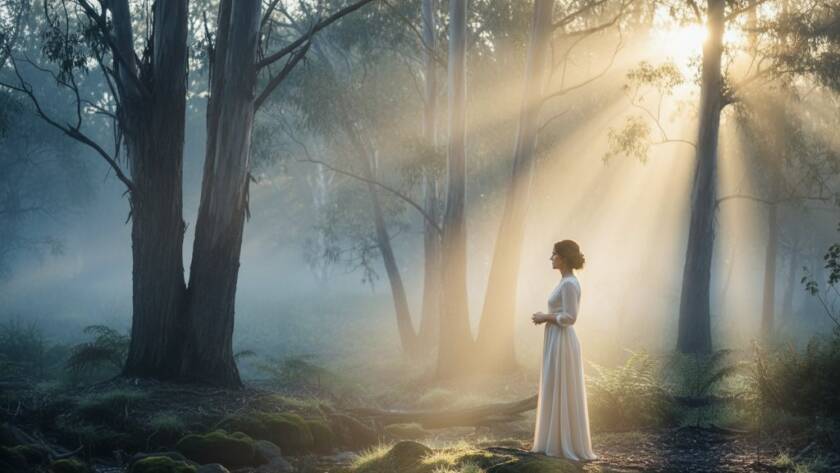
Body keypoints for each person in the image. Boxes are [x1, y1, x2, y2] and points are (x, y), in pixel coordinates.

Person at [530, 239, 597, 461]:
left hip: (562, 341)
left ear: (564, 258)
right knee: (554, 385)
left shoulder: (569, 284)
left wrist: (544, 317)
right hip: (555, 338)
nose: (551, 258)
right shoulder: (563, 282)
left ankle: (564, 444)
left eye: (554, 254)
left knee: (562, 386)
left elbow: (571, 317)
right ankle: (555, 439)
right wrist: (546, 317)